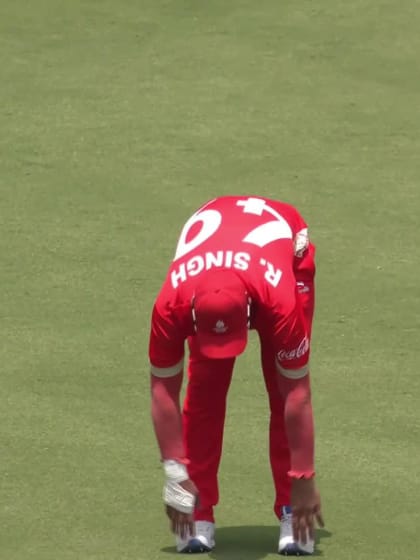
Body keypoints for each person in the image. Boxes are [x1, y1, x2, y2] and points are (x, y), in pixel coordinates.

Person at [149, 195, 324, 555]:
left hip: (285, 256)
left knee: (281, 388)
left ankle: (292, 508)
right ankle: (198, 510)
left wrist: (304, 478)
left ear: (247, 312)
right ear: (194, 316)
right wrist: (173, 472)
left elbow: (297, 395)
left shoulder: (279, 299)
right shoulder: (171, 304)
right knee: (204, 391)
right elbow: (163, 390)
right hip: (219, 267)